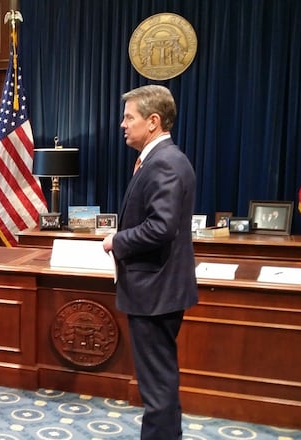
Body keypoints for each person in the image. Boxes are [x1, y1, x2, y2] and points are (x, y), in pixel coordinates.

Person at [102, 85, 198, 440]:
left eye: (129, 117)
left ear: (153, 121)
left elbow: (161, 227)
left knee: (157, 386)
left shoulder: (164, 163)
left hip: (155, 291)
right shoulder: (161, 159)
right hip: (157, 289)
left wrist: (117, 241)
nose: (123, 124)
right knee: (160, 381)